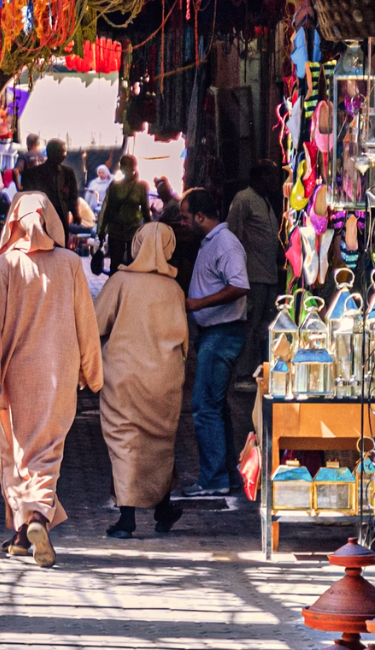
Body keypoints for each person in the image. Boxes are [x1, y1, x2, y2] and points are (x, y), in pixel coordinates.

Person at [0, 192, 102, 568]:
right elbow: (85, 324)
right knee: (45, 454)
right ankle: (38, 519)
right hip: (57, 376)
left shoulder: (2, 267)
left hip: (11, 379)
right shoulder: (71, 264)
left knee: (13, 454)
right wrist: (91, 373)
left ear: (12, 222)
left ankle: (20, 534)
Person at [95, 223, 188, 538]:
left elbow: (96, 325)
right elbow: (185, 342)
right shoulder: (174, 289)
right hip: (165, 377)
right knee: (160, 443)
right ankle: (163, 508)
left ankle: (127, 519)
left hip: (123, 376)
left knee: (126, 443)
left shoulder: (120, 282)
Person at [180, 188, 250, 498]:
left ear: (200, 216)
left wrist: (199, 304)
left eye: (185, 217)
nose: (182, 222)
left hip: (223, 332)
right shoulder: (211, 242)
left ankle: (213, 479)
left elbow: (239, 285)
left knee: (204, 405)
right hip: (215, 332)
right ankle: (228, 475)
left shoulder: (224, 242)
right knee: (215, 406)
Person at [227, 161, 283, 389]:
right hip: (252, 276)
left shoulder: (265, 201)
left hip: (269, 275)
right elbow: (233, 237)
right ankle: (242, 374)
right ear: (259, 178)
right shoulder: (244, 199)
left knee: (264, 326)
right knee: (250, 326)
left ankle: (259, 371)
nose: (274, 181)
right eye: (270, 176)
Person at [98, 155, 152, 273]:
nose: (125, 168)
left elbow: (145, 210)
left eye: (127, 165)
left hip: (133, 230)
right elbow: (108, 209)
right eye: (123, 165)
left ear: (133, 167)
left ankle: (130, 289)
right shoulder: (115, 186)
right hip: (115, 230)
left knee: (133, 264)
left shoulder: (141, 187)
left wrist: (150, 230)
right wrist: (102, 229)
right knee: (115, 264)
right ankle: (114, 289)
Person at [19, 140, 79, 227]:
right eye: (62, 151)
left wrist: (75, 212)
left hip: (61, 217)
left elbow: (73, 195)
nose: (65, 155)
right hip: (42, 218)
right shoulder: (33, 174)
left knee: (61, 240)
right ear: (51, 153)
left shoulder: (67, 172)